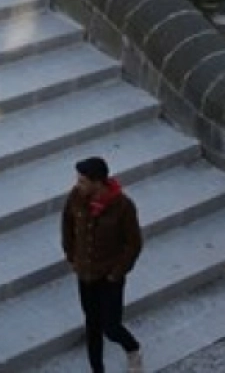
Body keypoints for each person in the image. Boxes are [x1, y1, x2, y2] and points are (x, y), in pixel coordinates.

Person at [61, 157, 143, 373]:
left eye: (82, 181)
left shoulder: (123, 206)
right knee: (92, 324)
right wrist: (71, 255)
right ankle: (97, 369)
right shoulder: (76, 197)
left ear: (97, 182)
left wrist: (116, 273)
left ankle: (132, 348)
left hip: (109, 277)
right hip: (85, 273)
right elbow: (67, 224)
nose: (78, 185)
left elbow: (133, 244)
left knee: (111, 327)